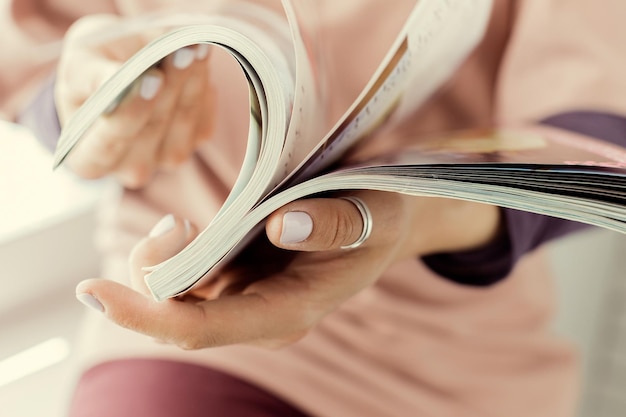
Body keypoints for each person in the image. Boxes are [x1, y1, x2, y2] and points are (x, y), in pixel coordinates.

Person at [2, 0, 626, 416]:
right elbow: (38, 56)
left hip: (451, 362)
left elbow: (592, 141)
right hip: (182, 314)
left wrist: (408, 216)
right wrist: (96, 107)